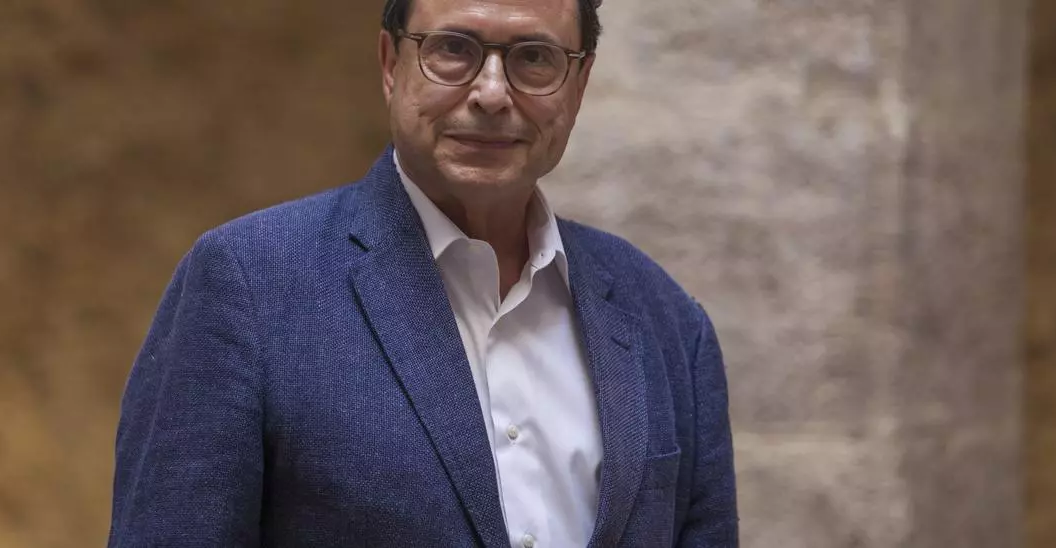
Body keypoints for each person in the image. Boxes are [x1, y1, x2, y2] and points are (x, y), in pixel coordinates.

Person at [106, 0, 737, 546]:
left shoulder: (668, 322)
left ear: (579, 84)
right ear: (391, 64)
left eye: (534, 58)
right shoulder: (249, 282)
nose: (492, 93)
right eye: (454, 49)